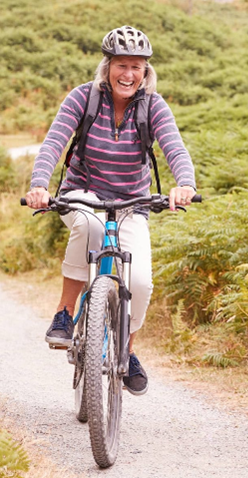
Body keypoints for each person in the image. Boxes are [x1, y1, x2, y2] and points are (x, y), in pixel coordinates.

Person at [25, 25, 197, 396]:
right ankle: (65, 314)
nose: (129, 74)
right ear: (107, 67)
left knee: (141, 282)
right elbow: (54, 142)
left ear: (146, 72)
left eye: (137, 67)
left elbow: (175, 149)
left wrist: (185, 184)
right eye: (121, 65)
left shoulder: (153, 105)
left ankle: (128, 350)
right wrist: (39, 184)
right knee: (89, 228)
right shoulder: (82, 98)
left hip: (132, 202)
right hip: (83, 193)